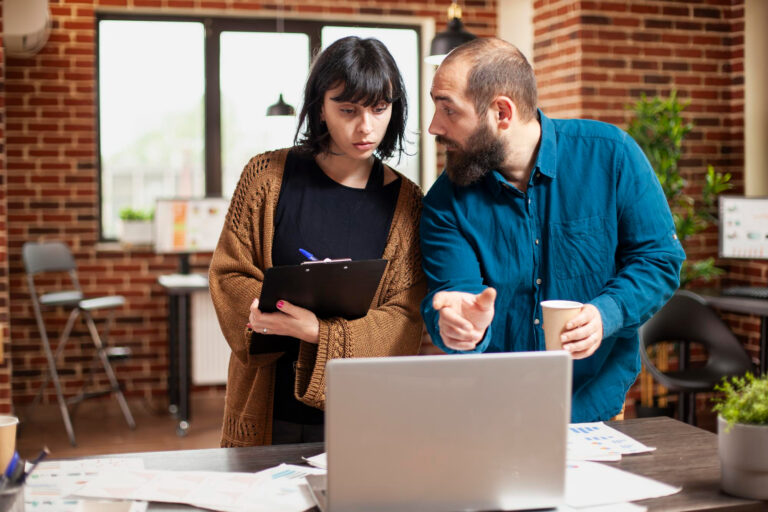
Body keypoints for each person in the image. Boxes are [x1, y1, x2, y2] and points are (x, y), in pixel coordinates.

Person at [420, 38, 686, 422]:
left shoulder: (612, 156)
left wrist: (606, 313)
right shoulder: (444, 202)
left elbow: (659, 260)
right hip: (493, 410)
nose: (434, 126)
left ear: (502, 112)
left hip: (595, 405)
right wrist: (460, 326)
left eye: (448, 110)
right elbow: (454, 294)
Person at [209, 36, 425, 446]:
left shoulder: (408, 203)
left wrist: (316, 332)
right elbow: (229, 273)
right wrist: (261, 313)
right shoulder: (266, 177)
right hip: (267, 411)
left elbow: (405, 319)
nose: (366, 126)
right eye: (348, 110)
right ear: (320, 109)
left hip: (364, 417)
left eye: (380, 109)